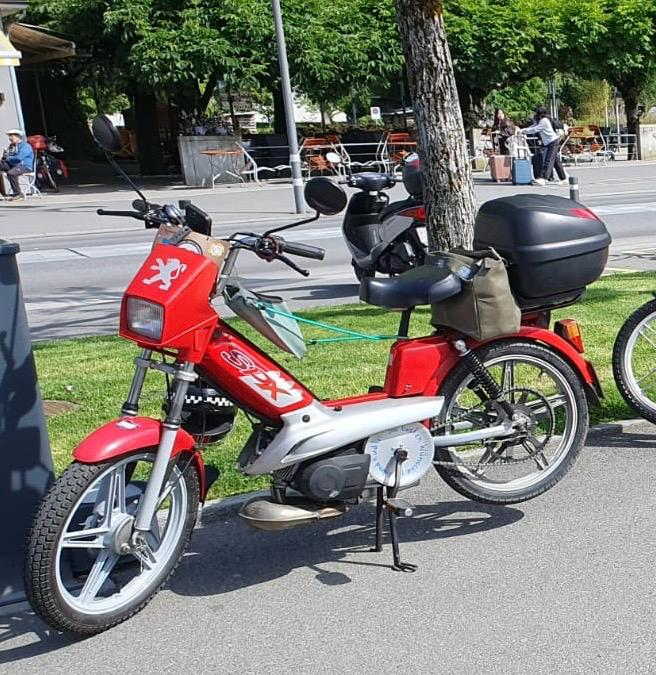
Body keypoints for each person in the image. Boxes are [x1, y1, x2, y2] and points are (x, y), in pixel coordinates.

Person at [521, 107, 567, 186]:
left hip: (552, 142)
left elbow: (535, 129)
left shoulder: (544, 121)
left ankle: (543, 178)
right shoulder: (540, 121)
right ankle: (564, 178)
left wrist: (523, 131)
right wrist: (522, 130)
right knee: (556, 162)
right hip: (550, 142)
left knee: (548, 160)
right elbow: (532, 126)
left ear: (539, 113)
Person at [0, 129, 34, 199]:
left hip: (24, 166)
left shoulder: (25, 146)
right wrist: (4, 156)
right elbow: (8, 158)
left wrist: (8, 157)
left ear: (18, 136)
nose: (10, 138)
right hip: (13, 165)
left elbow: (19, 158)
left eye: (11, 136)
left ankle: (18, 194)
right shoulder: (12, 146)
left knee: (11, 173)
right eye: (9, 136)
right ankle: (3, 193)